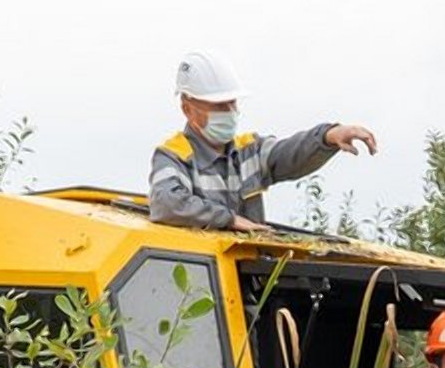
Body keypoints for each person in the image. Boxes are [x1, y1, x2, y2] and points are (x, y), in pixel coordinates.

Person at [148, 50, 378, 232]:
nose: (230, 111)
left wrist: (328, 136)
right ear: (188, 109)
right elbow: (167, 203)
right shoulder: (173, 156)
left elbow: (290, 153)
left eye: (233, 103)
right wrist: (228, 219)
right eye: (219, 105)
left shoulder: (249, 150)